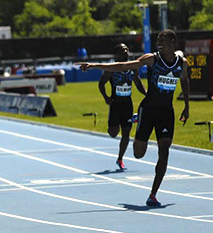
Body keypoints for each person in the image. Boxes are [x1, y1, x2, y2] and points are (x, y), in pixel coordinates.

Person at [77, 30, 189, 207]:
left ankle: (153, 194)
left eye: (163, 39)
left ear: (173, 41)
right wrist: (95, 65)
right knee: (138, 154)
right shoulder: (151, 59)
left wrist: (187, 106)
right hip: (148, 109)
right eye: (158, 39)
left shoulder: (181, 63)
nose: (159, 42)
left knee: (164, 150)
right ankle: (138, 125)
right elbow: (123, 66)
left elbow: (185, 81)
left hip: (166, 111)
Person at [98, 43, 146, 170]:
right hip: (115, 104)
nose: (126, 51)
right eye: (123, 50)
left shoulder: (133, 67)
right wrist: (106, 97)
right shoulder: (111, 68)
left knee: (126, 133)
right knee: (113, 133)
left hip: (127, 104)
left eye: (127, 49)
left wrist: (147, 94)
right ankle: (115, 125)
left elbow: (138, 83)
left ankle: (120, 158)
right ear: (116, 54)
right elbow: (101, 84)